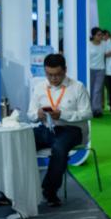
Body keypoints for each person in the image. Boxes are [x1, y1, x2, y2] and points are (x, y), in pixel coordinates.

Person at [29, 53, 92, 206]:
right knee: (21, 141)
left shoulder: (77, 87)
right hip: (47, 128)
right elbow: (30, 114)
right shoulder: (39, 88)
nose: (53, 78)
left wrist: (62, 114)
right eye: (49, 74)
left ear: (65, 70)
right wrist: (37, 114)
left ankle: (49, 191)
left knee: (59, 147)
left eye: (57, 74)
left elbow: (87, 113)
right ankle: (13, 191)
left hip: (72, 130)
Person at [87, 27, 109, 117]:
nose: (100, 37)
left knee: (98, 90)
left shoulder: (104, 44)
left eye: (101, 35)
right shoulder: (88, 44)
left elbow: (107, 54)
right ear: (93, 36)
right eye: (98, 35)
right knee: (90, 89)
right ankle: (89, 108)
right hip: (90, 69)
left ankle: (96, 109)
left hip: (101, 69)